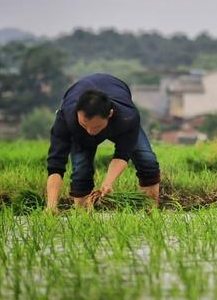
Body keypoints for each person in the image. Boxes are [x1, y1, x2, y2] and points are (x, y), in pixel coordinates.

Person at [45, 73, 160, 212]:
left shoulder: (127, 117)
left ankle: (151, 211)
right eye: (84, 124)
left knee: (147, 161)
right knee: (81, 172)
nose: (90, 132)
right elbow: (55, 165)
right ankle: (82, 216)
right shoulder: (66, 118)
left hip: (119, 112)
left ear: (110, 114)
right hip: (77, 130)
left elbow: (122, 154)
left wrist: (108, 183)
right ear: (77, 114)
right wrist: (51, 206)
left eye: (96, 127)